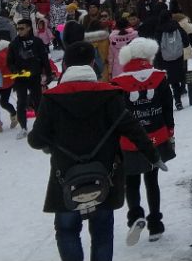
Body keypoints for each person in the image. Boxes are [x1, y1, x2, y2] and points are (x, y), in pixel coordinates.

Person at [28, 41, 159, 261]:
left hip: (65, 177)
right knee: (102, 232)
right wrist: (153, 155)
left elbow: (35, 139)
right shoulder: (110, 95)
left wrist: (50, 145)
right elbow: (133, 129)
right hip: (104, 177)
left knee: (67, 231)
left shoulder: (51, 98)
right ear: (92, 63)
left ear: (66, 65)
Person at [112, 37, 176, 244]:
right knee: (152, 180)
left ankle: (135, 216)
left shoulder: (118, 82)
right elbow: (167, 106)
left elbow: (116, 116)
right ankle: (155, 224)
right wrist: (170, 130)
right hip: (156, 135)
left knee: (131, 181)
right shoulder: (159, 77)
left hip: (129, 141)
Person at [8, 17, 51, 139]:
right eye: (18, 28)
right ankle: (23, 127)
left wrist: (48, 73)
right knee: (21, 102)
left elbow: (44, 58)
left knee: (37, 101)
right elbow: (9, 61)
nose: (19, 31)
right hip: (20, 77)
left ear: (28, 28)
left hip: (34, 75)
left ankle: (40, 126)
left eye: (22, 28)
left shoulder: (37, 42)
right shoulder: (14, 43)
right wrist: (14, 70)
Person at [152, 9, 187, 111]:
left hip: (163, 59)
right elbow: (185, 41)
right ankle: (178, 101)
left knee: (165, 82)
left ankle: (166, 104)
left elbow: (156, 45)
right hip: (177, 58)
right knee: (176, 82)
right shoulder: (177, 27)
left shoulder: (158, 29)